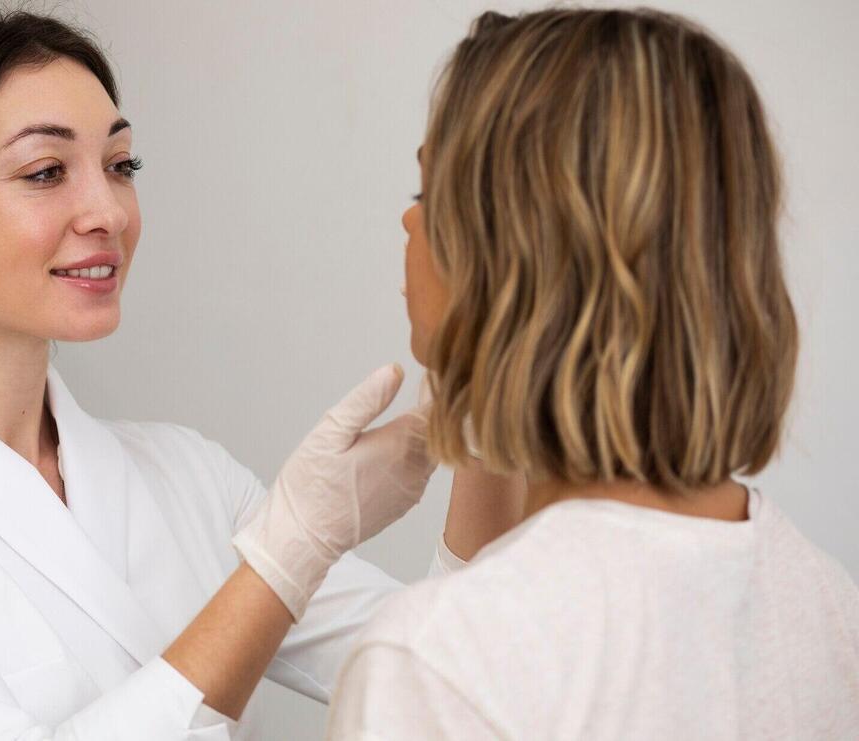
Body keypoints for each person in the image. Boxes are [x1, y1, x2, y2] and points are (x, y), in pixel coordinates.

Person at [0, 10, 506, 740]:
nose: (108, 209)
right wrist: (289, 553)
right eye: (44, 171)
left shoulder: (184, 473)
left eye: (119, 163)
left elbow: (453, 685)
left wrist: (483, 427)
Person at [327, 8, 859, 739]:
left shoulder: (431, 661)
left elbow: (501, 647)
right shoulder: (830, 608)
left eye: (427, 193)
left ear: (508, 249)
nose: (408, 224)